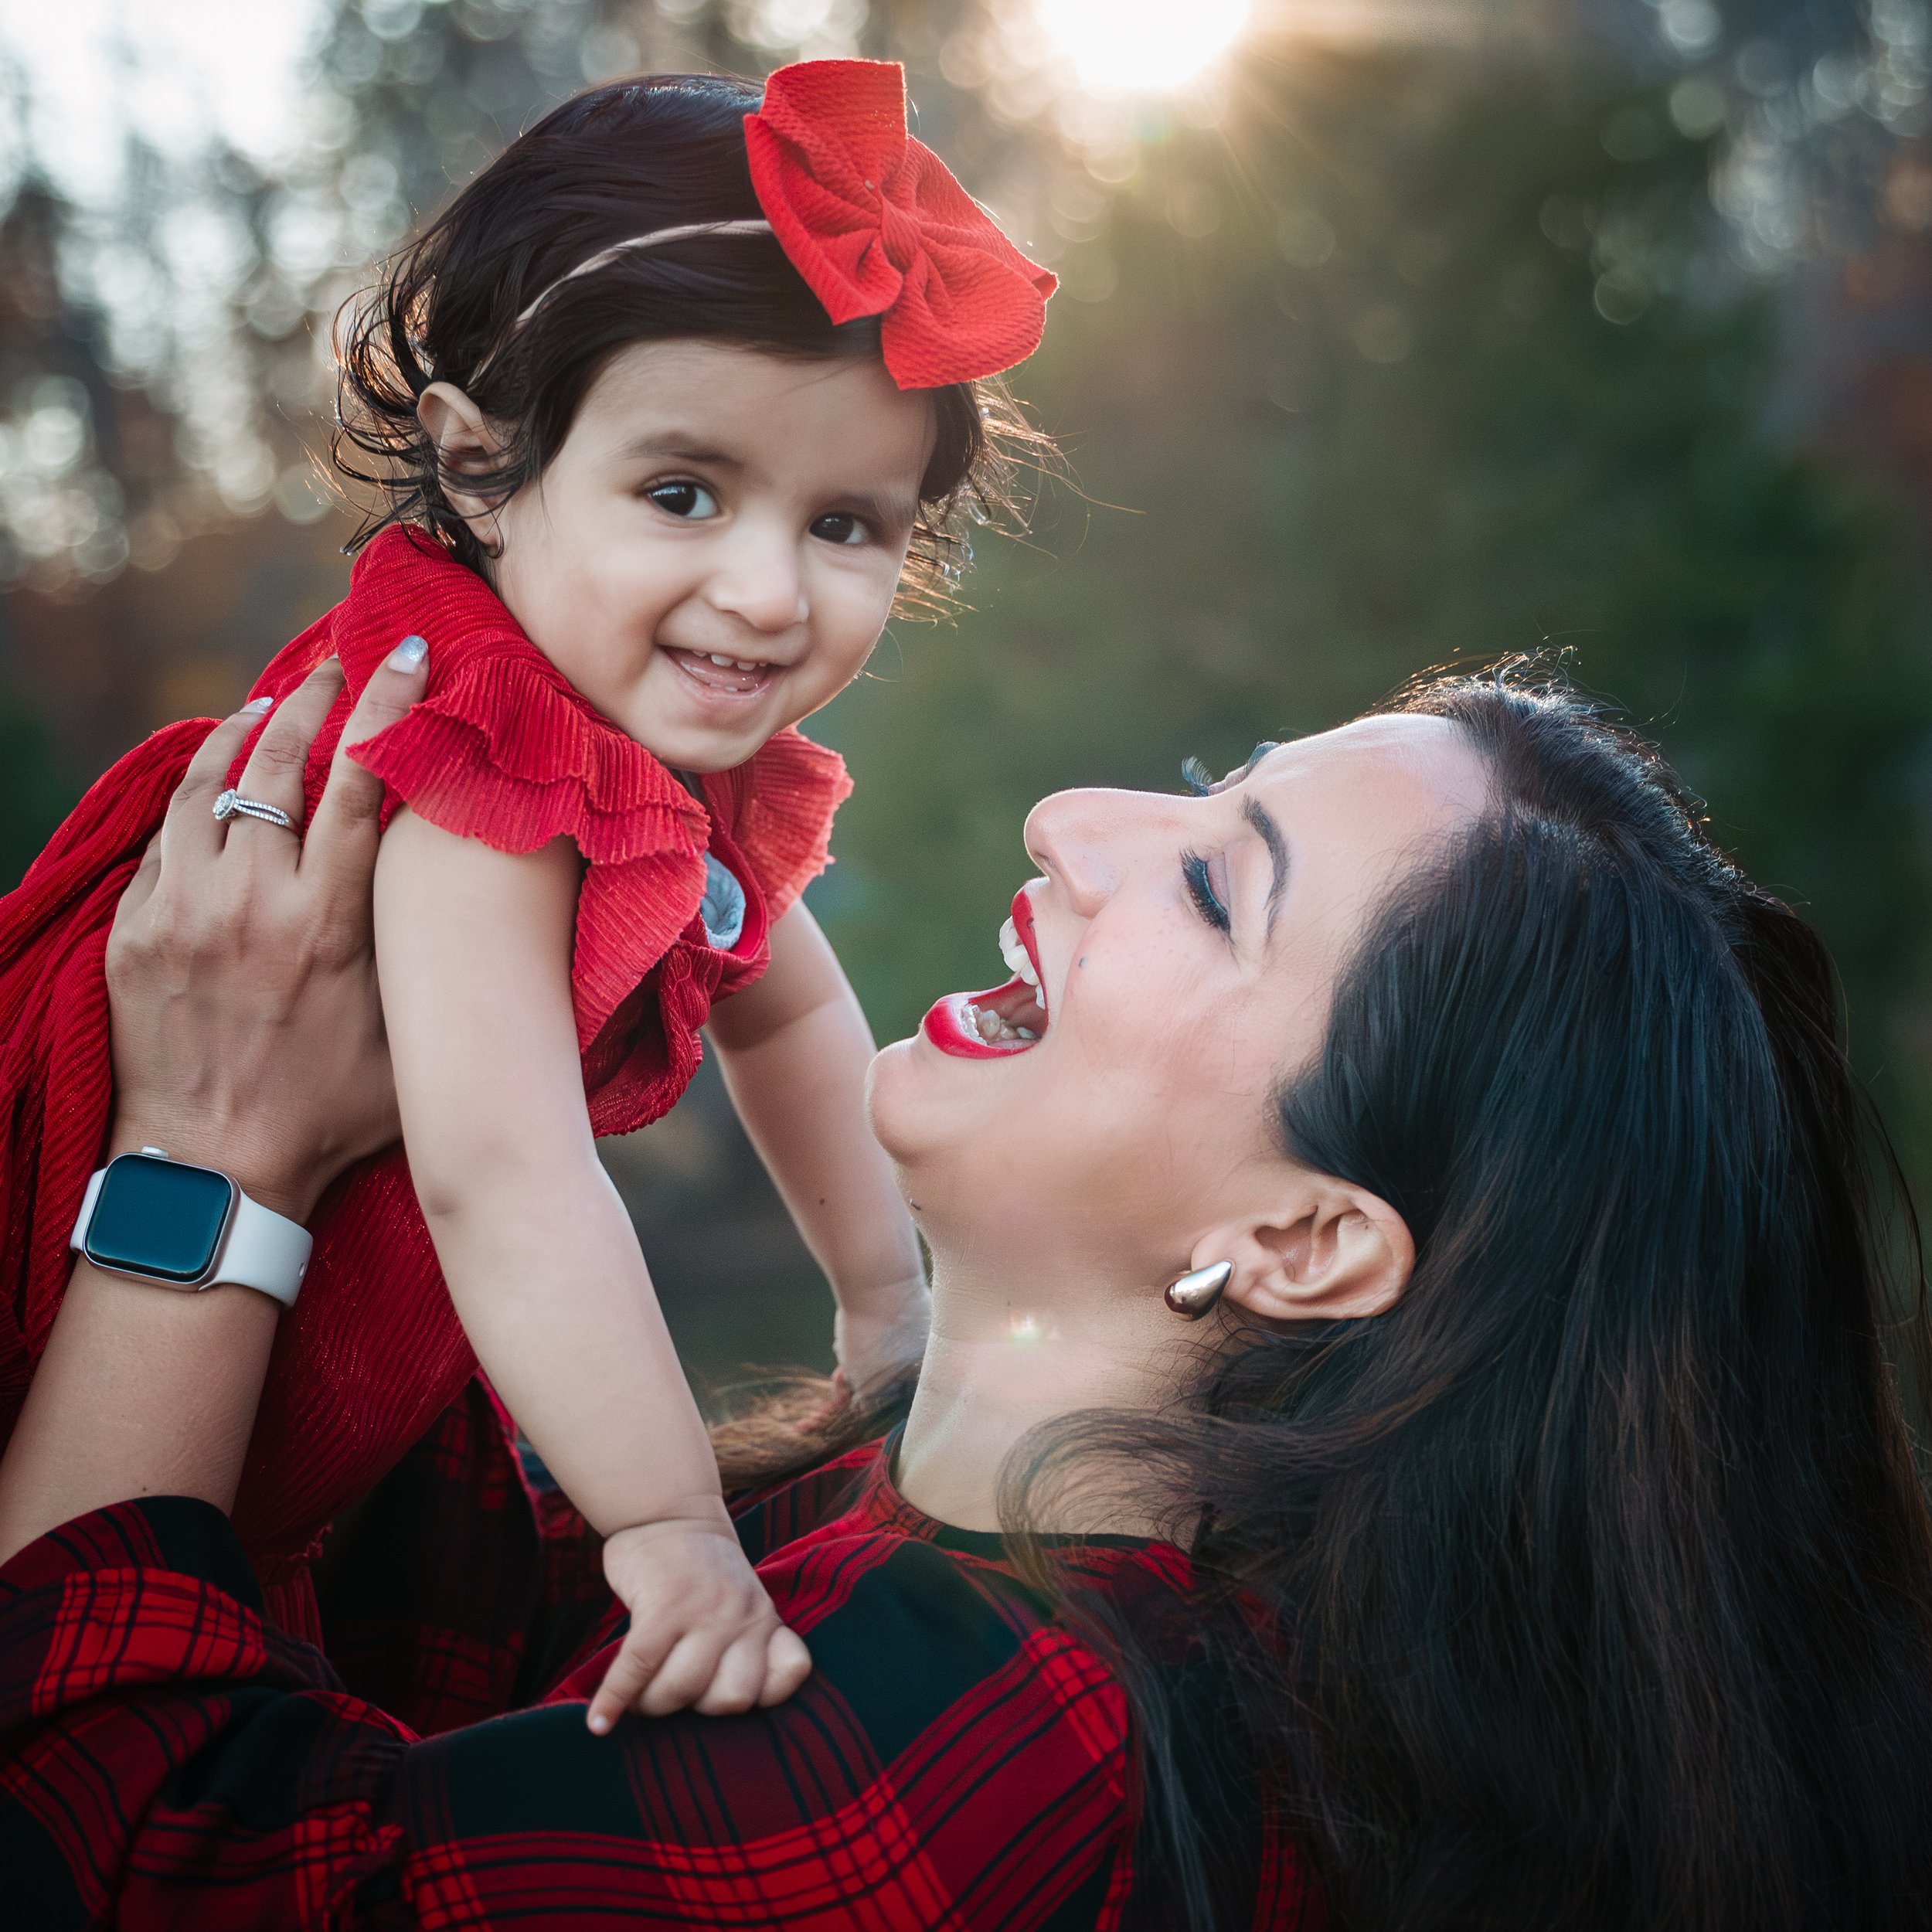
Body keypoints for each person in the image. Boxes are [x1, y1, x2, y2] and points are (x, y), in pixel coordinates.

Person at [5, 657, 1932, 1932]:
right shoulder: (908, 1546)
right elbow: (452, 1643)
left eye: (1209, 884)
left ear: (1301, 1243)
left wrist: (208, 1158)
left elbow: (116, 1850)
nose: (1074, 820)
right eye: (1203, 785)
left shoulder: (1023, 1754)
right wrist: (430, 1052)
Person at [0, 58, 1057, 1723]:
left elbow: (784, 1011)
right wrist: (667, 1522)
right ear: (483, 467)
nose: (767, 589)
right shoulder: (474, 744)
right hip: (65, 1296)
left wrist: (884, 1297)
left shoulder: (660, 740)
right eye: (682, 493)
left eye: (845, 521)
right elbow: (504, 1172)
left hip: (299, 1342)